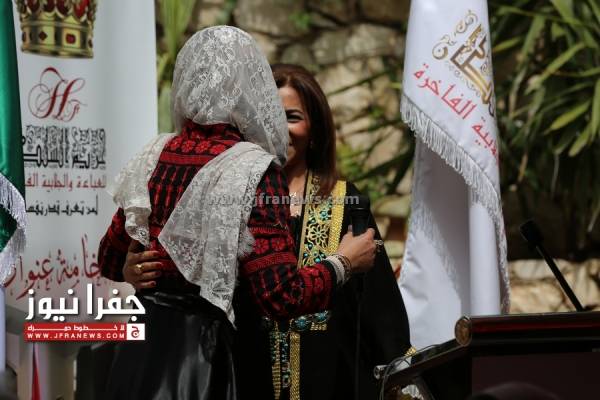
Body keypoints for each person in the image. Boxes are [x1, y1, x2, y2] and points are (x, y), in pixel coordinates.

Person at [97, 27, 377, 400]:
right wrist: (343, 262)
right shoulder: (251, 169)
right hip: (201, 364)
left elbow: (109, 258)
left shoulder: (154, 155)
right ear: (250, 90)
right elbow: (280, 296)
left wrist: (131, 268)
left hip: (140, 355)